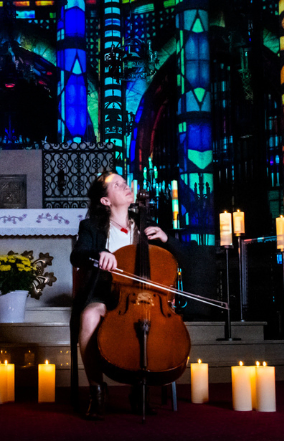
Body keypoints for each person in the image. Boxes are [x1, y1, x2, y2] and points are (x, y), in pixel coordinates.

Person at [70, 171, 179, 419]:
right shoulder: (91, 227)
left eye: (124, 182)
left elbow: (180, 257)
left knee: (146, 322)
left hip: (143, 296)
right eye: (117, 185)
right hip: (104, 293)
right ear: (106, 200)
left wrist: (166, 239)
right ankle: (97, 390)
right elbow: (77, 255)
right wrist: (99, 253)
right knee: (88, 316)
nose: (126, 186)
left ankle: (140, 389)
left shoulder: (146, 225)